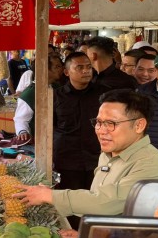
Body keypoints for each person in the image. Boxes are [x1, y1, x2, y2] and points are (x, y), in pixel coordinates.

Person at [14, 89, 158, 230]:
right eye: (98, 122)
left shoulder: (151, 164)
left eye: (111, 123)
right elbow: (97, 199)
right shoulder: (109, 154)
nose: (101, 131)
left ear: (139, 126)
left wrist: (51, 196)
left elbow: (108, 202)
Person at [53, 52, 102, 229]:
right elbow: (50, 127)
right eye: (79, 67)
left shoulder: (103, 95)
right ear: (67, 72)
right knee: (70, 205)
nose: (86, 71)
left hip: (97, 159)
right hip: (67, 160)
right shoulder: (56, 96)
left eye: (88, 67)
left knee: (96, 204)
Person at [14, 55, 64, 141]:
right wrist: (23, 132)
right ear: (46, 70)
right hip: (40, 140)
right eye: (57, 67)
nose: (61, 69)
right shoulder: (29, 94)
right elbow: (20, 119)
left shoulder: (58, 87)